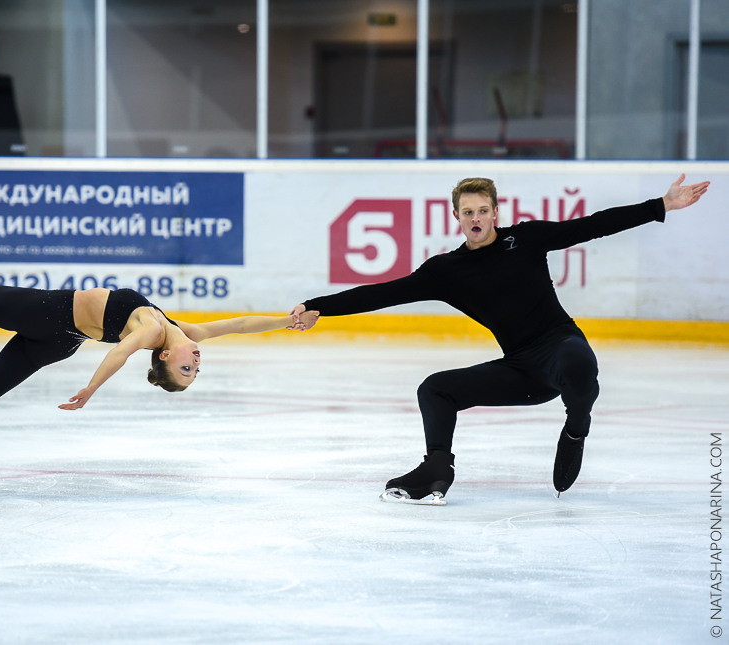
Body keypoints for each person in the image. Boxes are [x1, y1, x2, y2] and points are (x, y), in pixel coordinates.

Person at [291, 174, 710, 505]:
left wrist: (662, 205)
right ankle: (437, 467)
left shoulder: (526, 240)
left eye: (483, 210)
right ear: (456, 216)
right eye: (467, 211)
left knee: (579, 363)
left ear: (495, 212)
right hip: (522, 370)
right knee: (435, 388)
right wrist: (318, 306)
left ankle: (576, 428)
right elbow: (384, 292)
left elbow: (592, 226)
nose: (476, 218)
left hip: (561, 345)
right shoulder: (446, 271)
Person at [0, 268, 316, 500]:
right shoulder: (184, 331)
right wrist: (285, 321)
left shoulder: (153, 331)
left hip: (47, 315)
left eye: (186, 370)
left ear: (164, 357)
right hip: (62, 340)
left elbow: (119, 351)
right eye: (195, 369)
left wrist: (91, 389)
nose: (195, 362)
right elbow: (237, 325)